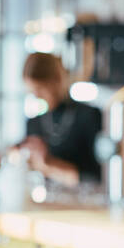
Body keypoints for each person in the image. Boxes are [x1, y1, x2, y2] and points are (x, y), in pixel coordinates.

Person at [21, 52, 102, 186]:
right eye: (32, 91)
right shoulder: (33, 123)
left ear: (57, 80)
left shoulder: (89, 116)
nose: (36, 96)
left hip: (85, 202)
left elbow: (97, 177)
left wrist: (49, 165)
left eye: (40, 89)